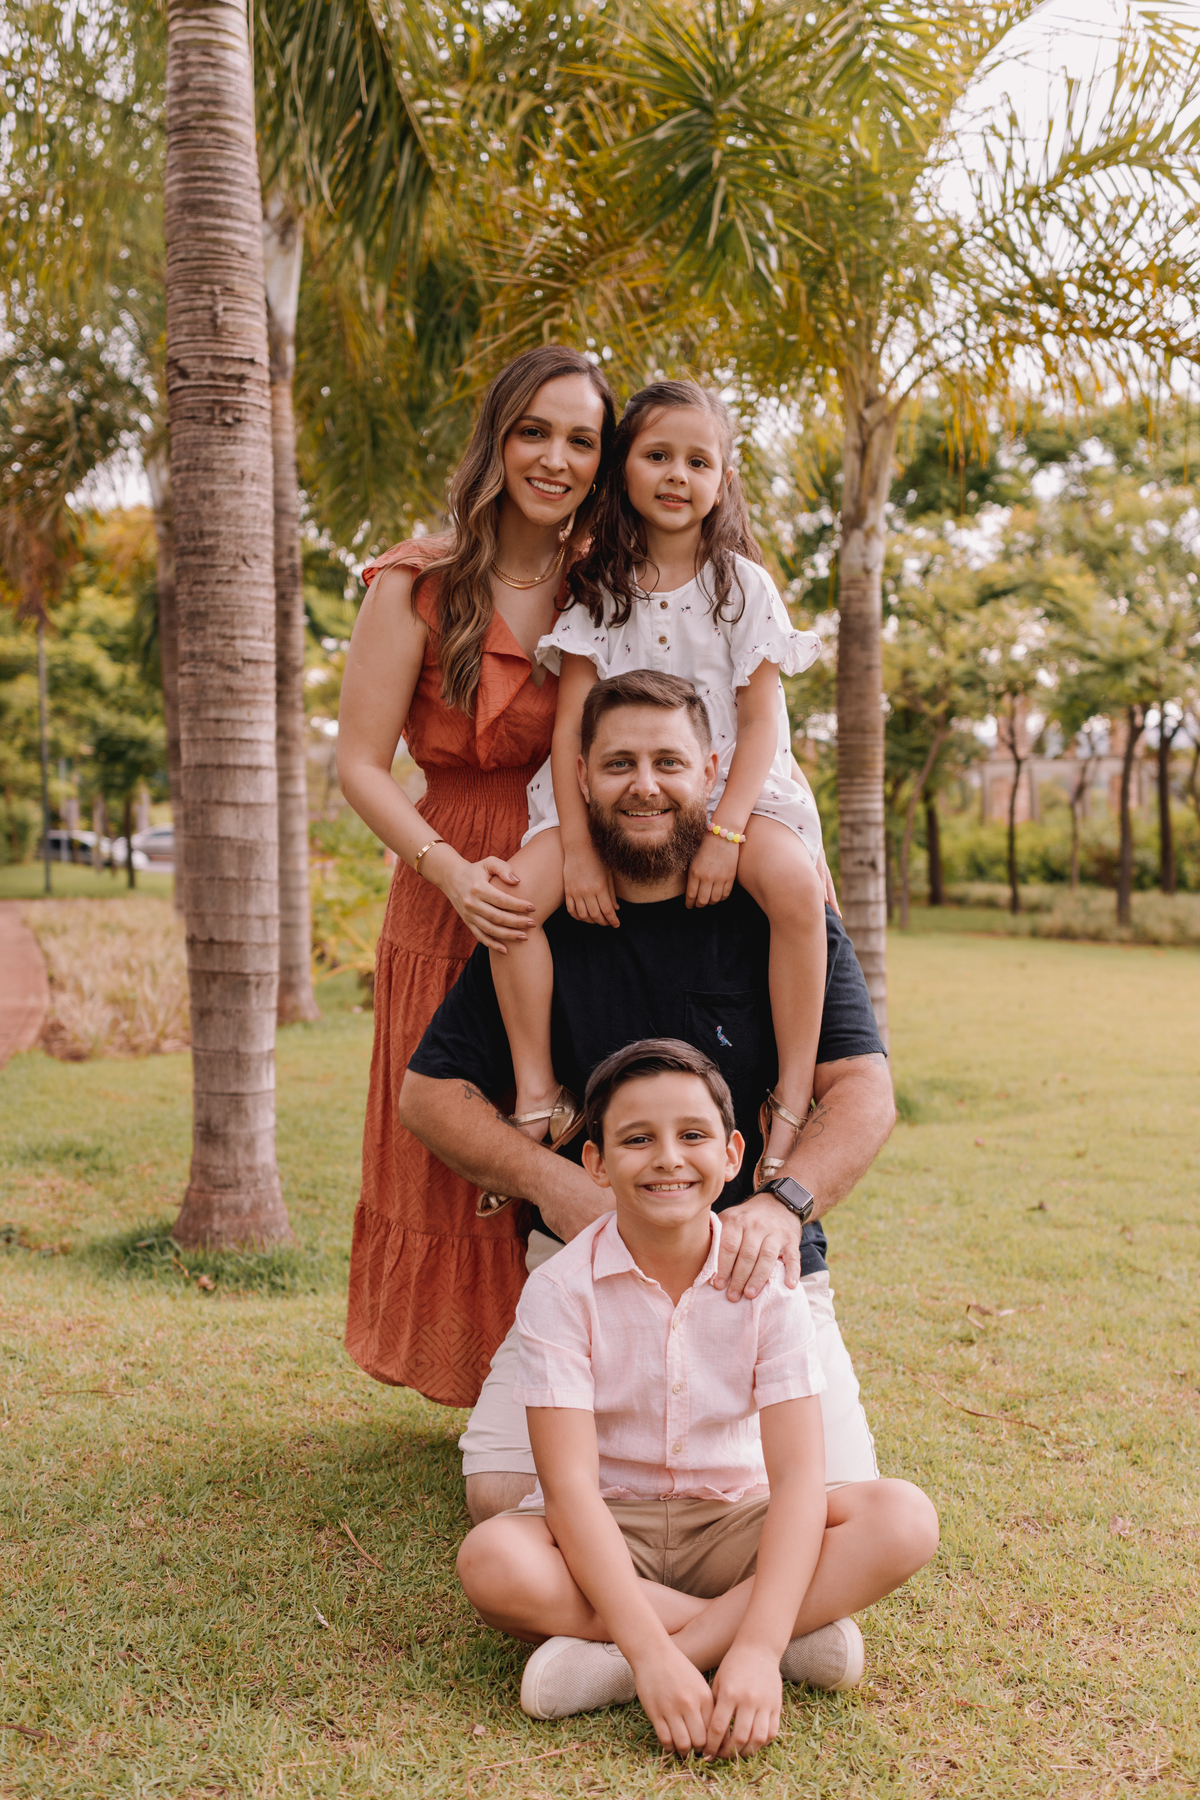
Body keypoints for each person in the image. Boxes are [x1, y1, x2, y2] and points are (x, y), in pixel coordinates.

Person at [398, 669, 896, 1525]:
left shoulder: (778, 912)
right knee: (500, 1498)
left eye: (668, 762)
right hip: (584, 1269)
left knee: (844, 1504)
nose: (645, 786)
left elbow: (865, 1092)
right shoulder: (537, 919)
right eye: (620, 763)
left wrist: (783, 1207)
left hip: (759, 1270)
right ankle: (690, 1590)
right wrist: (555, 1185)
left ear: (710, 770)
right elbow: (428, 1095)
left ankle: (650, 1600)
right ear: (581, 779)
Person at [456, 1041, 939, 1754]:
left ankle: (648, 1653)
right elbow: (568, 1492)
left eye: (691, 1136)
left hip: (732, 1522)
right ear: (595, 1163)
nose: (667, 1159)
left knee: (903, 1517)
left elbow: (802, 1481)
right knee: (491, 1560)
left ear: (733, 1152)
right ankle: (756, 1640)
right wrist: (664, 1658)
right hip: (611, 1525)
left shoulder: (769, 1286)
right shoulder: (560, 1291)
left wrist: (749, 1653)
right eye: (636, 1139)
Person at [336, 345, 615, 1407]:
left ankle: (570, 1384)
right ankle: (484, 1390)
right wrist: (449, 873)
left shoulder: (607, 583)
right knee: (451, 1123)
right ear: (496, 439)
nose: (555, 457)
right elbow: (359, 765)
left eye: (582, 439)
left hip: (564, 868)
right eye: (534, 431)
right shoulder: (417, 579)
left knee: (556, 1116)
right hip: (445, 866)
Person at [488, 380, 830, 1188]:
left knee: (792, 885)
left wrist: (727, 834)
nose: (677, 475)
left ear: (722, 479)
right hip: (609, 798)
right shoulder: (599, 590)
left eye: (698, 461)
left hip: (731, 795)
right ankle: (541, 1092)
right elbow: (574, 728)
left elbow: (760, 725)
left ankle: (791, 1098)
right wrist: (575, 849)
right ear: (624, 469)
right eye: (657, 456)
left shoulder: (742, 586)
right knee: (508, 904)